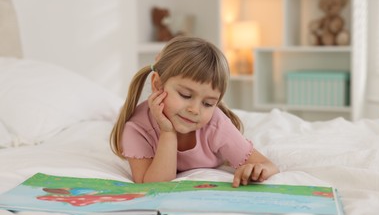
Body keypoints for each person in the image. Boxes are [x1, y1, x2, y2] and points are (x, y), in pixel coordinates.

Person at [110, 36, 279, 187]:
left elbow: (269, 166)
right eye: (185, 95)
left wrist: (256, 170)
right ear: (157, 84)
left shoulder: (216, 124)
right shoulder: (137, 129)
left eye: (208, 103)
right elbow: (154, 184)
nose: (195, 110)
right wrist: (167, 132)